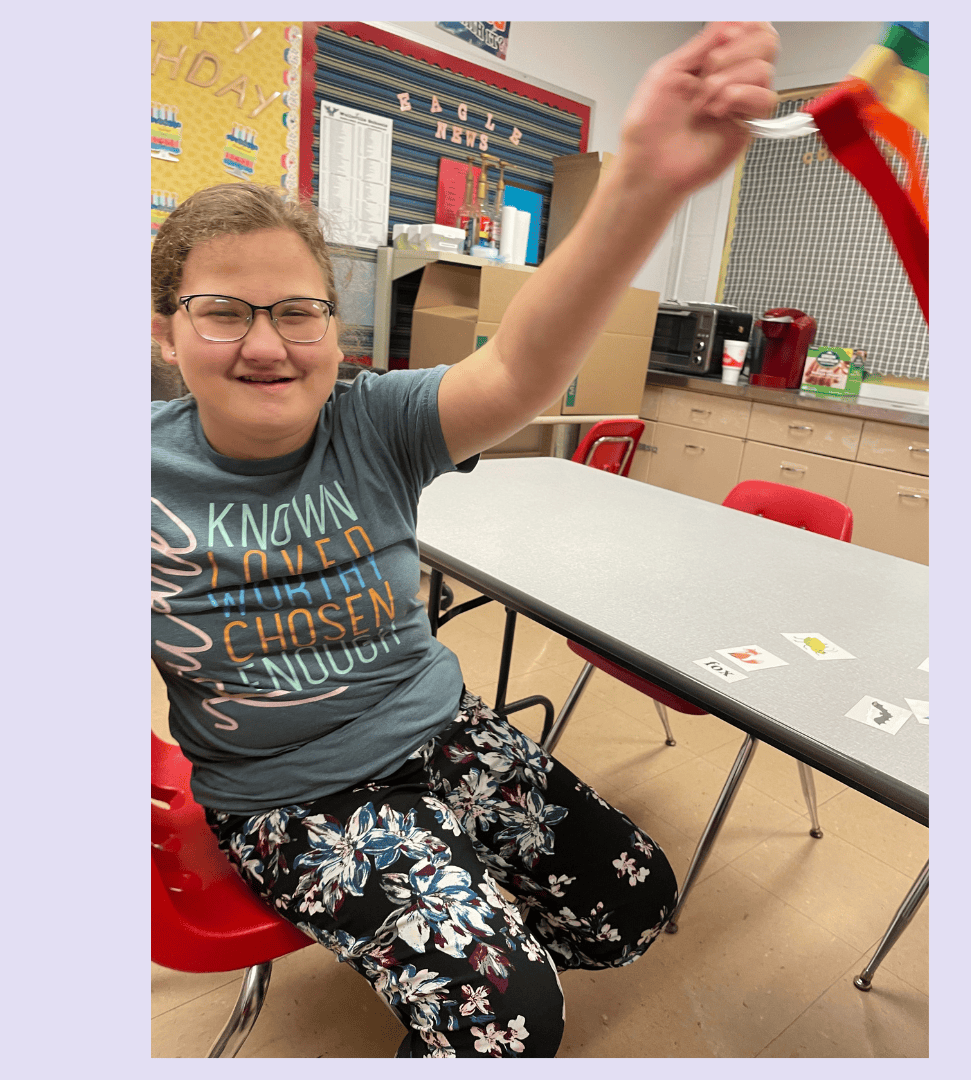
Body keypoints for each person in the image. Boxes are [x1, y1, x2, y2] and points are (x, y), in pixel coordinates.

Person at [151, 22, 778, 1058]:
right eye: (222, 312)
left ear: (334, 326)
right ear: (166, 330)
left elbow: (521, 367)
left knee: (632, 907)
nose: (267, 345)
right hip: (294, 803)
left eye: (298, 312)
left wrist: (647, 187)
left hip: (446, 737)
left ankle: (452, 903)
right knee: (511, 1020)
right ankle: (458, 958)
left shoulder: (375, 419)